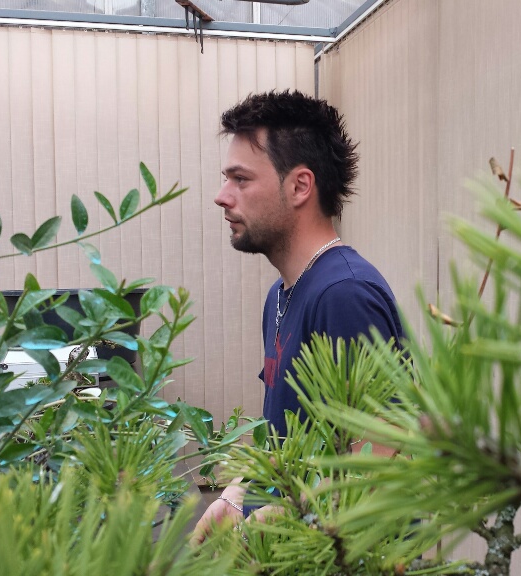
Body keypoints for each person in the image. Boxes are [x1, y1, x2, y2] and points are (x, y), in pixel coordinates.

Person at [193, 90, 405, 542]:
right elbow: (289, 434)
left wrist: (284, 518)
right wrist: (236, 496)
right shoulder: (281, 295)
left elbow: (381, 460)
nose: (221, 196)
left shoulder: (344, 294)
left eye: (240, 179)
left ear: (300, 186)